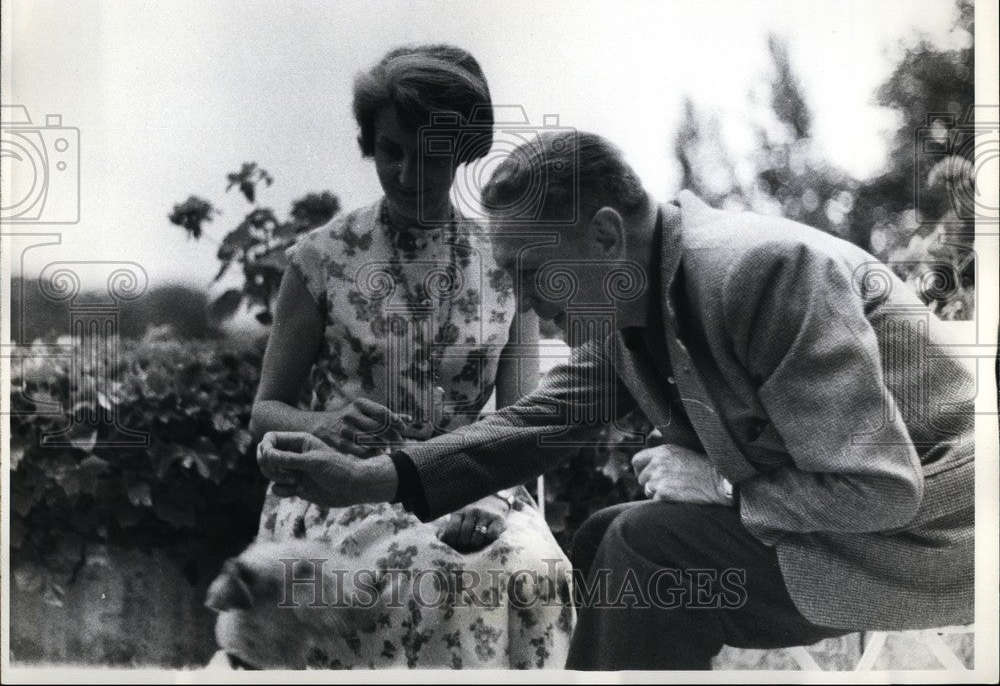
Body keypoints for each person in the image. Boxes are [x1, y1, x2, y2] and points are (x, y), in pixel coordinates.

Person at [258, 130, 975, 670]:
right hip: (847, 529)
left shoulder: (761, 272)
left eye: (533, 271)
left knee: (649, 550)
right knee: (606, 533)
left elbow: (882, 487)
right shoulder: (636, 302)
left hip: (939, 536)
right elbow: (534, 424)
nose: (530, 308)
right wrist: (370, 477)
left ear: (605, 234)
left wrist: (724, 483)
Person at [220, 46, 575, 669]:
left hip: (477, 483)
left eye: (430, 153)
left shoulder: (507, 259)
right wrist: (323, 427)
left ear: (463, 150)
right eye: (391, 151)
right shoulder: (320, 260)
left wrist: (489, 503)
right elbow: (265, 413)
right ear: (370, 144)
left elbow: (525, 425)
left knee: (541, 574)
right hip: (346, 491)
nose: (408, 173)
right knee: (432, 578)